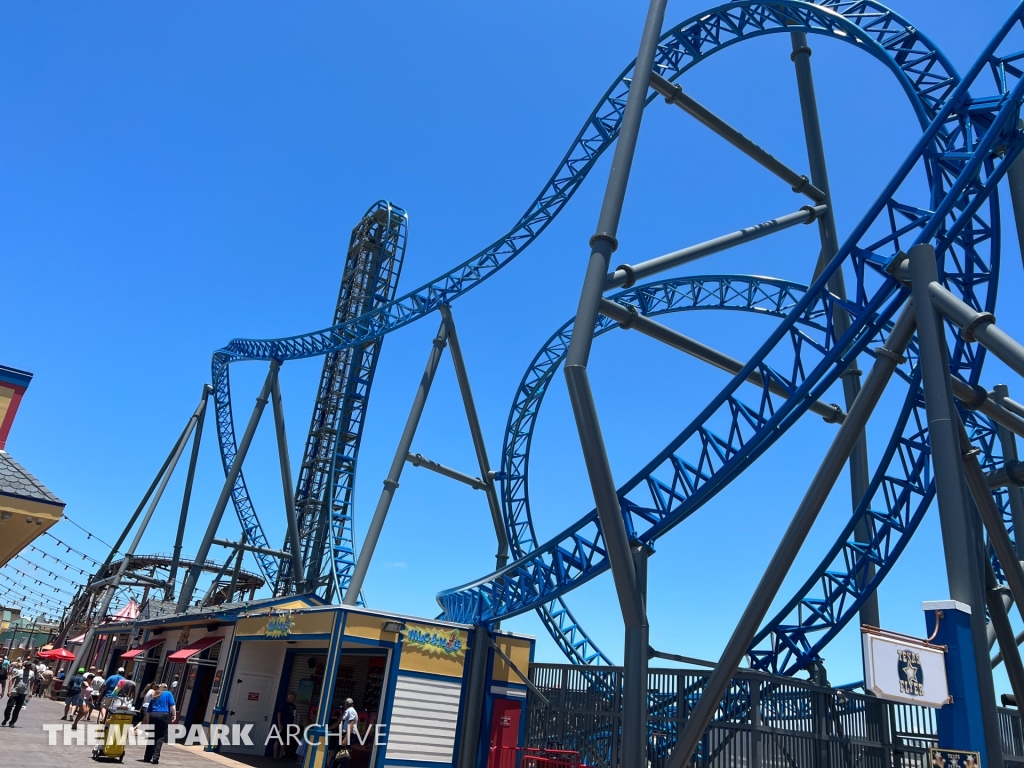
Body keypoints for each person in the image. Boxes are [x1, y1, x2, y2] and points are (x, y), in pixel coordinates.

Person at [143, 684, 176, 765]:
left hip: (153, 715)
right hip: (163, 716)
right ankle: (155, 757)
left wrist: (147, 720)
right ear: (166, 688)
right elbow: (172, 705)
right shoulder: (168, 693)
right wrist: (174, 714)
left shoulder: (155, 694)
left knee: (151, 736)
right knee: (160, 737)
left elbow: (148, 711)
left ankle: (147, 757)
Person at [274, 692, 297, 760]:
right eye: (294, 697)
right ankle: (275, 755)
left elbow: (294, 715)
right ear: (289, 697)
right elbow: (279, 714)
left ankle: (281, 755)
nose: (294, 699)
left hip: (289, 726)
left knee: (284, 741)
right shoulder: (284, 705)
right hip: (283, 725)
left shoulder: (293, 706)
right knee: (278, 740)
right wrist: (279, 723)